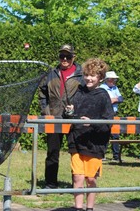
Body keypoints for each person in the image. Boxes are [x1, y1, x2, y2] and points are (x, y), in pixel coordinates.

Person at [64, 58, 114, 211]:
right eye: (86, 75)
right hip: (76, 140)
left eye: (93, 75)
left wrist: (92, 122)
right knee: (77, 176)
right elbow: (69, 116)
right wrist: (69, 112)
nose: (89, 78)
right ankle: (78, 208)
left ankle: (90, 208)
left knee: (90, 178)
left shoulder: (103, 95)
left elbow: (108, 122)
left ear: (100, 77)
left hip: (95, 143)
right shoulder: (78, 92)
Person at [39, 44, 84, 189]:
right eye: (62, 56)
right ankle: (50, 183)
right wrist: (46, 111)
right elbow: (42, 93)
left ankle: (76, 185)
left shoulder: (82, 75)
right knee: (52, 152)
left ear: (73, 57)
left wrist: (77, 109)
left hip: (74, 119)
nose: (64, 59)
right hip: (54, 117)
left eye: (68, 56)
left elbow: (86, 95)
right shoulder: (51, 73)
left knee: (76, 153)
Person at [100, 71, 123, 161]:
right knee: (104, 134)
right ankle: (102, 154)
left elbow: (121, 99)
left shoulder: (115, 88)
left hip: (114, 113)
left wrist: (114, 99)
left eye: (115, 79)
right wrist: (112, 100)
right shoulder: (102, 88)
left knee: (115, 135)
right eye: (112, 79)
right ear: (107, 79)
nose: (114, 81)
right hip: (105, 114)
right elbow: (103, 101)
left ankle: (116, 156)